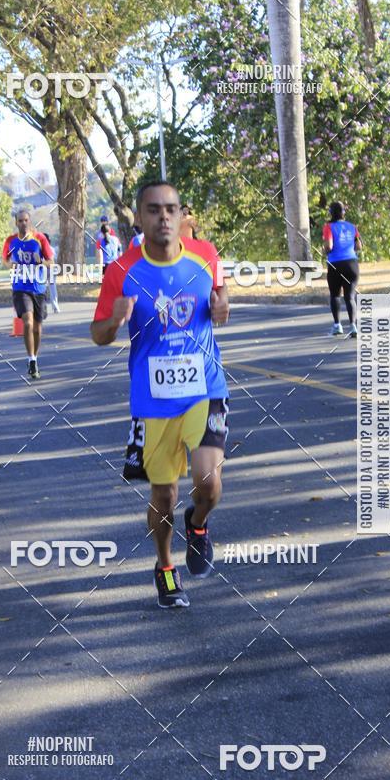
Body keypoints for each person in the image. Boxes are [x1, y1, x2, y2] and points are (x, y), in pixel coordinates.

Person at [91, 181, 230, 609]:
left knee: (208, 482)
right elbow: (98, 335)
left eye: (171, 209)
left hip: (204, 386)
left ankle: (199, 523)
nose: (164, 217)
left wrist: (223, 305)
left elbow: (219, 298)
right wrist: (114, 322)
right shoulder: (121, 271)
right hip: (152, 399)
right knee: (164, 495)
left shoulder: (205, 255)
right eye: (154, 210)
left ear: (181, 214)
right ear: (139, 219)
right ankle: (165, 566)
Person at [2, 207, 55, 380]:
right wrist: (12, 266)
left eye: (26, 220)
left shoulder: (39, 239)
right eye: (20, 221)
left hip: (38, 288)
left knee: (38, 329)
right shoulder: (11, 240)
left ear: (29, 222)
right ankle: (31, 360)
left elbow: (51, 261)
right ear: (16, 223)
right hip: (20, 287)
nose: (23, 223)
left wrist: (42, 262)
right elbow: (5, 260)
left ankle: (35, 357)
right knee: (28, 322)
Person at [322, 202, 362, 337]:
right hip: (352, 264)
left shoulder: (329, 227)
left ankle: (337, 325)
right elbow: (359, 246)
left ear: (331, 213)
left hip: (335, 264)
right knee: (350, 297)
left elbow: (329, 246)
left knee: (335, 295)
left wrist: (324, 250)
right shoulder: (352, 227)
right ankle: (353, 326)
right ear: (343, 212)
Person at [43, 232, 60, 313]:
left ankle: (42, 306)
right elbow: (54, 259)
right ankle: (55, 306)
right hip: (52, 269)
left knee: (42, 289)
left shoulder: (40, 249)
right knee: (53, 289)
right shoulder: (51, 249)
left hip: (43, 270)